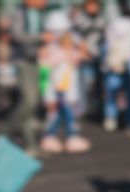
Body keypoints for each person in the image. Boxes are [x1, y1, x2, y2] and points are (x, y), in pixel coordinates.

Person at [39, 11, 91, 154]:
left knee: (62, 114)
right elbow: (45, 70)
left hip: (65, 89)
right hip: (58, 90)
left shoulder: (67, 52)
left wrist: (81, 47)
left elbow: (85, 55)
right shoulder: (54, 52)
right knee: (61, 114)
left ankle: (56, 136)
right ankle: (62, 135)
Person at [5, 0, 48, 153]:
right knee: (29, 100)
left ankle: (31, 145)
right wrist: (40, 37)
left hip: (36, 61)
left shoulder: (41, 14)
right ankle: (6, 130)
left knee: (33, 102)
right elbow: (17, 36)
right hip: (22, 61)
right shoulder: (19, 13)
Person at [103, 1, 130, 134]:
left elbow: (109, 43)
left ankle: (111, 118)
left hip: (115, 59)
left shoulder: (113, 24)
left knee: (112, 92)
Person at [71, 0, 106, 119]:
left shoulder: (102, 18)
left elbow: (105, 36)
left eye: (95, 5)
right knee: (84, 83)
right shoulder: (80, 18)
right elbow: (73, 35)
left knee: (98, 85)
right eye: (90, 5)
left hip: (98, 56)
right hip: (85, 55)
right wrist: (82, 47)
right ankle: (83, 109)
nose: (92, 8)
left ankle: (98, 109)